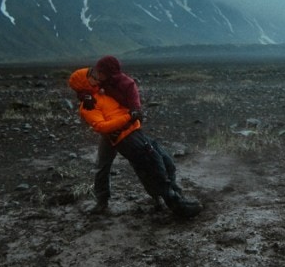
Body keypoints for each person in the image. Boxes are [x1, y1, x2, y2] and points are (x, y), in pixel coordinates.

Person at [68, 67, 202, 219]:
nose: (97, 77)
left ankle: (171, 197)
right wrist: (129, 118)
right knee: (150, 164)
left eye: (95, 74)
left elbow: (125, 88)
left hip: (131, 132)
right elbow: (101, 126)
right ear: (85, 82)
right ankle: (176, 205)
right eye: (91, 76)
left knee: (159, 161)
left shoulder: (102, 91)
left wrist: (132, 114)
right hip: (122, 136)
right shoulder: (88, 104)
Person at [86, 55, 142, 213]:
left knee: (141, 164)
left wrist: (122, 127)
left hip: (129, 132)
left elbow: (137, 112)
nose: (99, 74)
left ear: (109, 72)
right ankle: (101, 202)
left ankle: (158, 197)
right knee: (102, 165)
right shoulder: (101, 84)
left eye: (101, 71)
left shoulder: (128, 84)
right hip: (110, 131)